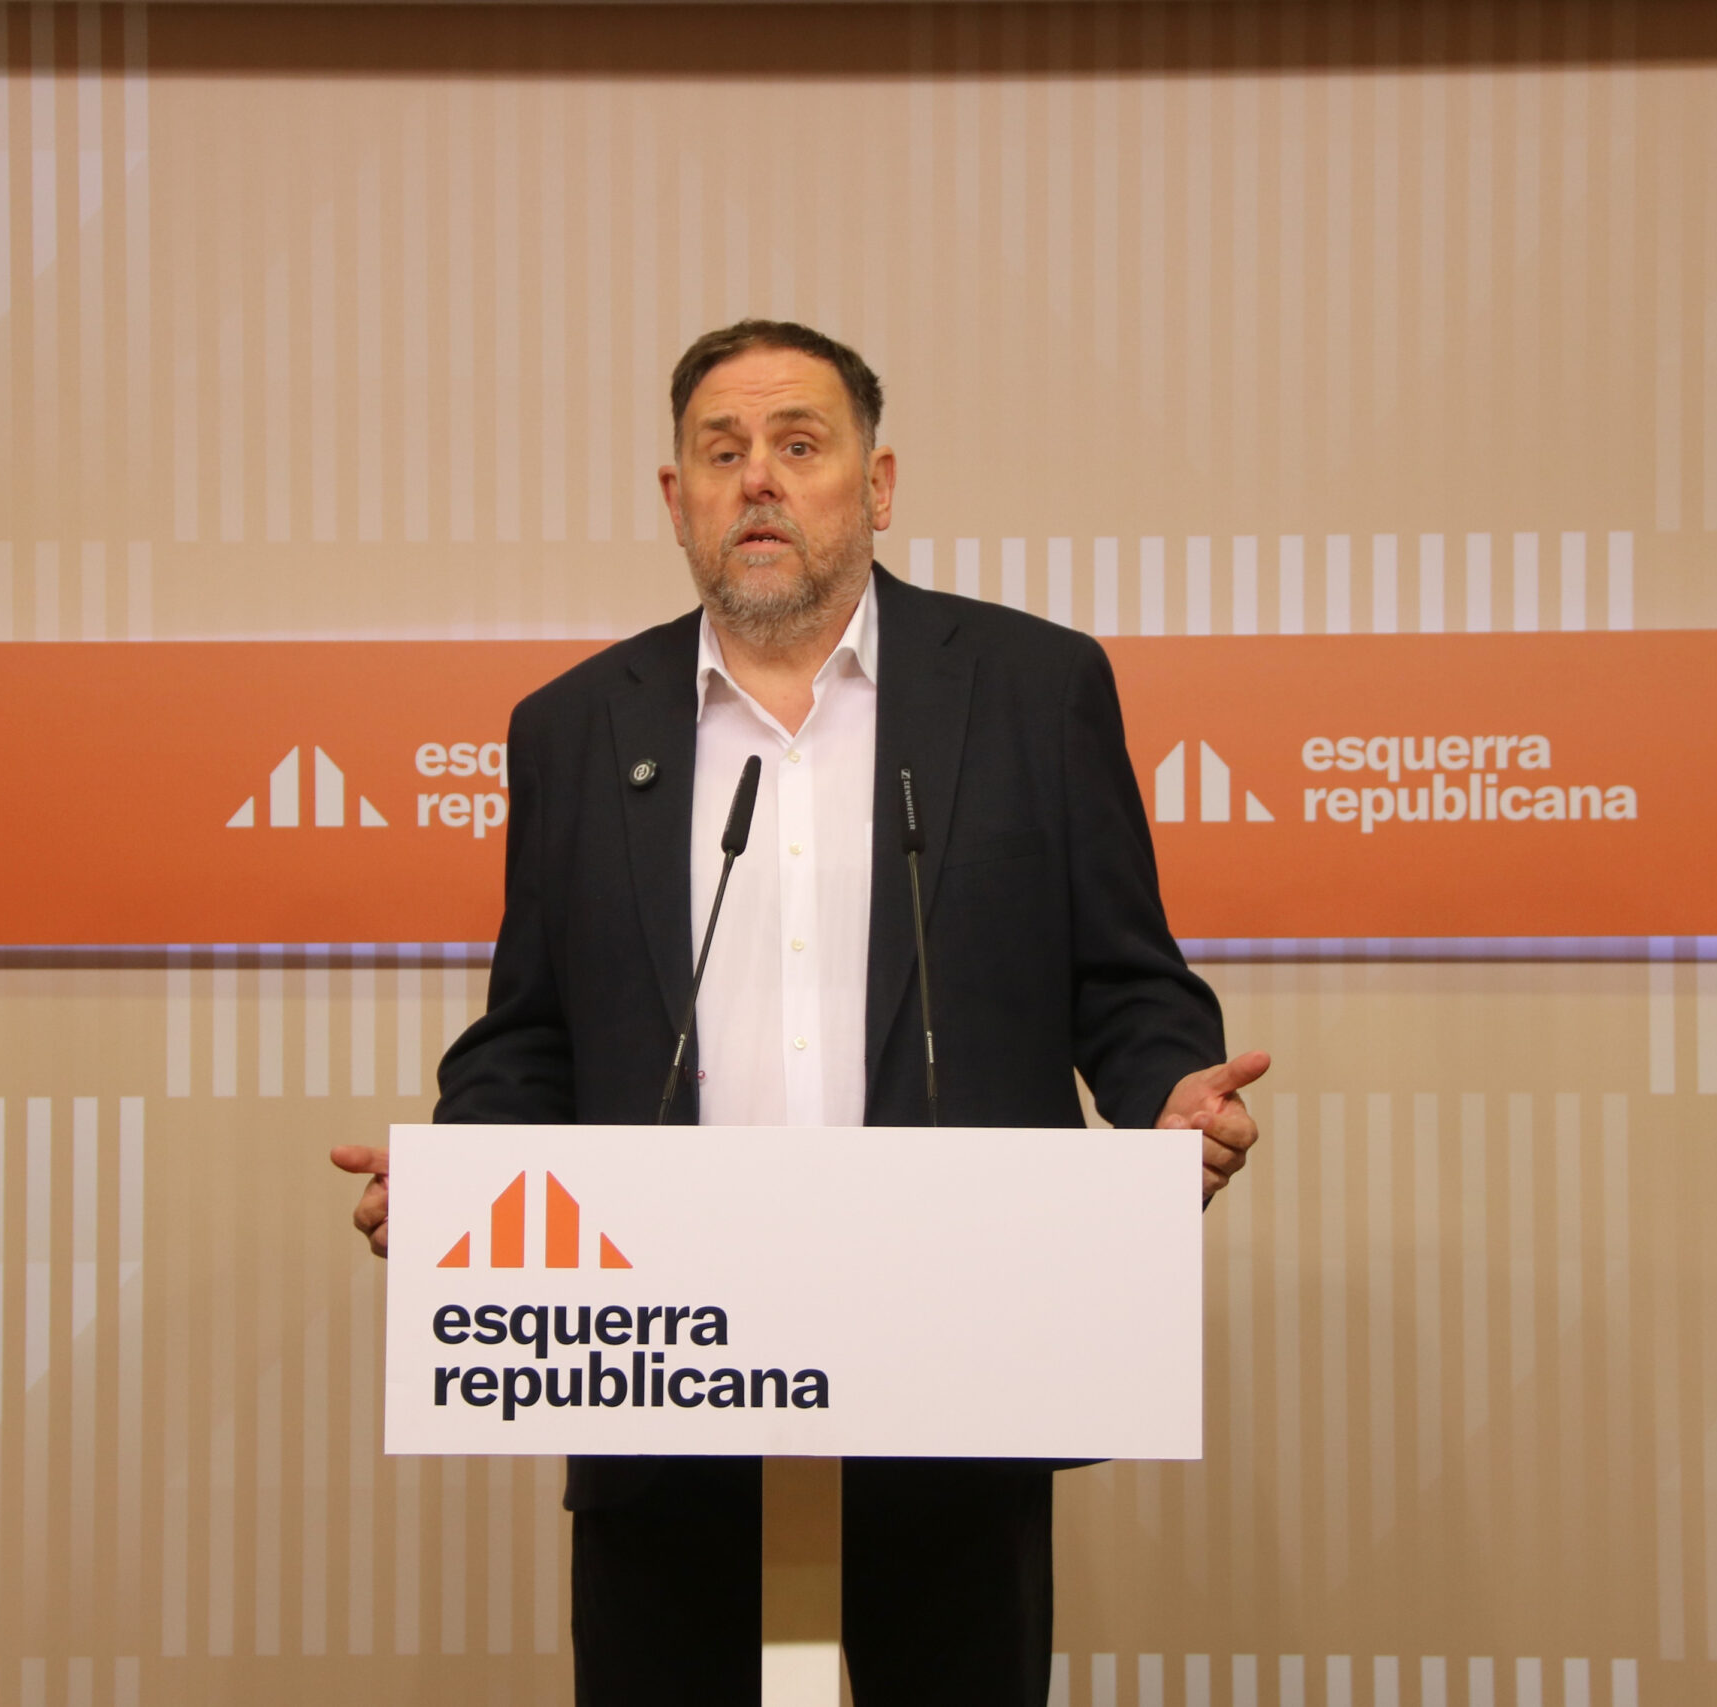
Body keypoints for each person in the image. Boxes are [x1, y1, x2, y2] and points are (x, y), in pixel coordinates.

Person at [333, 319, 1266, 1706]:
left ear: (876, 486)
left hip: (955, 1358)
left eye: (798, 444)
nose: (758, 479)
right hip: (666, 1382)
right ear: (677, 501)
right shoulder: (574, 726)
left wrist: (1167, 1096)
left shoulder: (1031, 688)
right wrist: (464, 1185)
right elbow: (531, 1033)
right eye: (722, 454)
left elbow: (1124, 983)